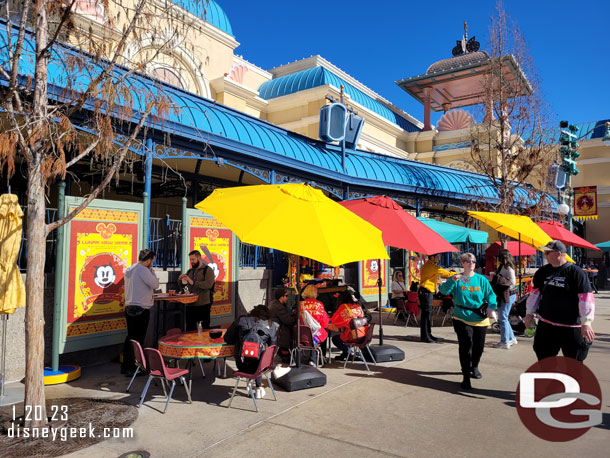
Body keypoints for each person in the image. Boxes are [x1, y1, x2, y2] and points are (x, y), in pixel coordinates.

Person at [524, 240, 595, 362]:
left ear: (558, 254)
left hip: (571, 327)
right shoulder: (542, 272)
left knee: (574, 363)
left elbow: (586, 299)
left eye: (547, 253)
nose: (545, 255)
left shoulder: (577, 273)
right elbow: (535, 294)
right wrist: (529, 314)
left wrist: (586, 323)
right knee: (544, 358)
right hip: (546, 324)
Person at [439, 252, 497, 390]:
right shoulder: (456, 279)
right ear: (462, 263)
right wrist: (451, 280)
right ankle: (465, 376)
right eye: (468, 261)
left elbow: (491, 295)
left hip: (480, 318)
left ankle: (474, 366)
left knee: (479, 346)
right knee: (466, 346)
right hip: (461, 316)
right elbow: (443, 291)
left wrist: (491, 307)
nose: (471, 263)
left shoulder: (481, 280)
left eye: (474, 261)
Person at [223, 304, 279, 399]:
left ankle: (259, 387)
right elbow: (273, 349)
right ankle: (259, 386)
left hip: (242, 364)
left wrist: (240, 339)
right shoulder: (272, 326)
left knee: (254, 355)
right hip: (263, 367)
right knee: (261, 353)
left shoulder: (241, 320)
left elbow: (227, 338)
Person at [121, 249, 159, 376]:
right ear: (148, 260)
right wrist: (152, 272)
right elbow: (155, 284)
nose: (152, 263)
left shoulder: (130, 269)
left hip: (129, 307)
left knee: (130, 338)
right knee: (138, 340)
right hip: (141, 308)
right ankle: (134, 367)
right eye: (152, 261)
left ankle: (126, 366)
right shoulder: (143, 270)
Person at [418, 254, 455, 342]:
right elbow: (446, 273)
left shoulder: (426, 265)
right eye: (437, 257)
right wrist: (458, 274)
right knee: (427, 314)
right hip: (426, 291)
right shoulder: (432, 266)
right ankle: (425, 336)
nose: (438, 258)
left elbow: (432, 277)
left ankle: (428, 334)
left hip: (425, 291)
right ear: (432, 257)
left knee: (426, 314)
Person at [178, 250, 215, 331]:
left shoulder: (207, 270)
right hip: (190, 305)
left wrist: (193, 282)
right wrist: (180, 280)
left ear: (199, 258)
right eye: (190, 260)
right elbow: (183, 285)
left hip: (203, 305)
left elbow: (209, 285)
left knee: (204, 329)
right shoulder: (190, 271)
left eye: (193, 259)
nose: (191, 262)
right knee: (189, 329)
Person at [330, 290, 368, 361]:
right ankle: (346, 354)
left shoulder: (343, 307)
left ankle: (349, 352)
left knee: (335, 339)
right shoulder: (357, 306)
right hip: (363, 335)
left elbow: (334, 321)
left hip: (353, 336)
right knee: (344, 332)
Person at [491, 249, 517, 349]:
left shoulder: (508, 268)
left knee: (502, 317)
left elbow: (512, 282)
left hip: (508, 294)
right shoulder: (503, 267)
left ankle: (505, 341)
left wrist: (500, 278)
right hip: (506, 294)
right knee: (504, 317)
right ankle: (511, 338)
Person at [299, 283, 330, 365]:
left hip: (301, 335)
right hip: (315, 335)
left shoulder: (300, 304)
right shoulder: (319, 305)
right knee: (323, 333)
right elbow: (324, 322)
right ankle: (319, 357)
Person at [268, 288, 297, 362]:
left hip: (274, 329)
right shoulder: (279, 307)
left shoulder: (274, 303)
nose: (287, 298)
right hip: (279, 332)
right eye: (286, 296)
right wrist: (296, 316)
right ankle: (286, 354)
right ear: (281, 297)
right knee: (292, 331)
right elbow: (288, 320)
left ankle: (285, 354)